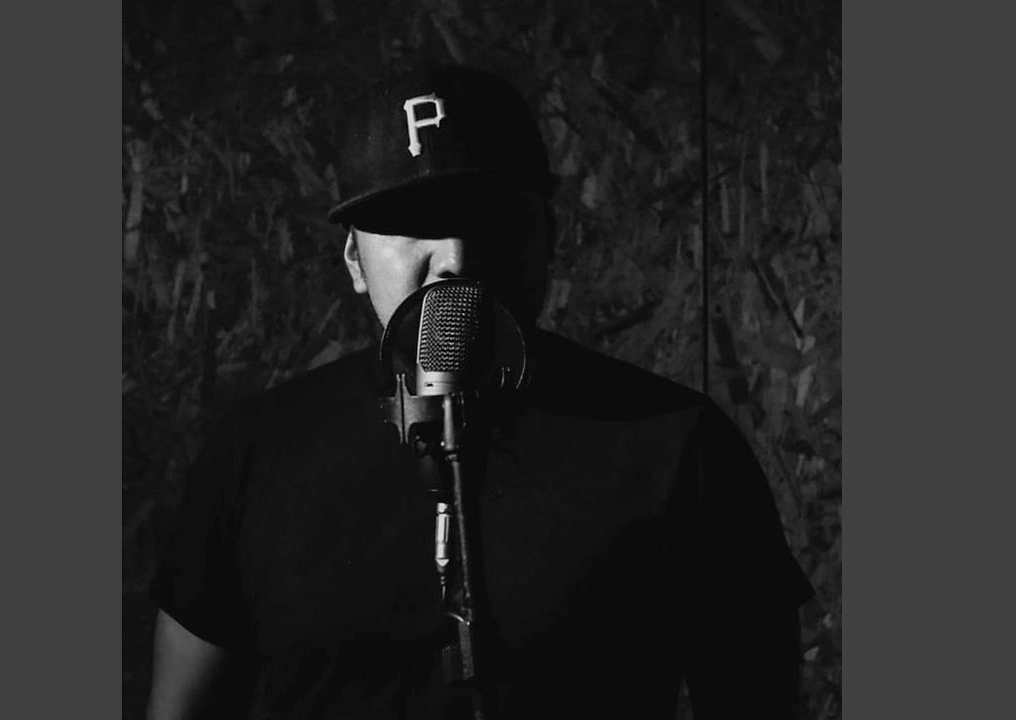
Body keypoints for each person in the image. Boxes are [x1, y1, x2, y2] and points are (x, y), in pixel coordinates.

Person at [147, 62, 813, 720]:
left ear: (547, 237)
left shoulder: (678, 446)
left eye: (486, 214)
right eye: (415, 222)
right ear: (354, 259)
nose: (455, 259)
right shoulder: (259, 452)